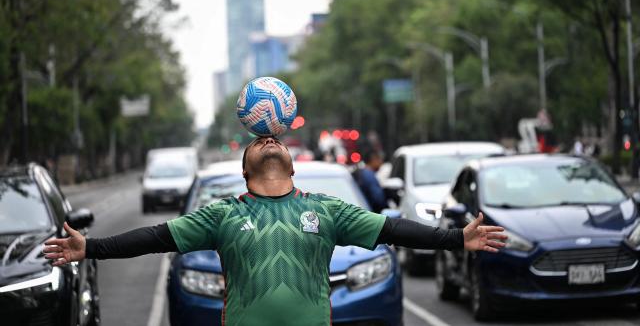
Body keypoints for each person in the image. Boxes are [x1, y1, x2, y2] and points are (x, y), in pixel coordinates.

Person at [44, 136, 507, 326]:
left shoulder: (325, 209)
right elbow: (154, 237)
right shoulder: (222, 215)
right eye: (259, 142)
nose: (269, 142)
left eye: (275, 140)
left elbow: (393, 228)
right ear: (246, 170)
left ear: (291, 163)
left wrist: (455, 237)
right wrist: (91, 248)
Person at [354, 148, 388, 213]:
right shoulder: (369, 175)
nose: (381, 162)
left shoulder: (363, 173)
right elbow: (379, 199)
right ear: (374, 159)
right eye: (379, 159)